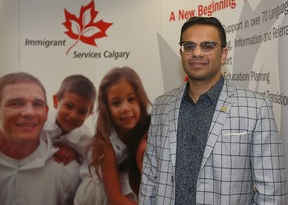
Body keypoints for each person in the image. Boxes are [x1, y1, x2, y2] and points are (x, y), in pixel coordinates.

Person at [139, 16, 287, 204]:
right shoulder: (162, 106)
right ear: (182, 52)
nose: (197, 53)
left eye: (207, 46)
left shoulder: (256, 108)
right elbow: (150, 176)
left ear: (223, 54)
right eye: (189, 46)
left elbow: (271, 191)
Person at [0, 72, 80, 205]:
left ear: (46, 112)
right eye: (15, 104)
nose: (29, 112)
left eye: (37, 104)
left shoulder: (69, 172)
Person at [74, 66, 151, 205]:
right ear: (106, 108)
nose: (125, 108)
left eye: (131, 99)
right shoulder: (106, 144)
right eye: (116, 103)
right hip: (98, 198)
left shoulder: (144, 133)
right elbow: (115, 199)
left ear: (140, 100)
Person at [45, 74, 96, 165]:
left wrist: (76, 155)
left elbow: (88, 164)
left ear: (89, 115)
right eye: (68, 106)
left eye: (82, 112)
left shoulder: (86, 140)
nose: (73, 115)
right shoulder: (41, 123)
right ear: (56, 101)